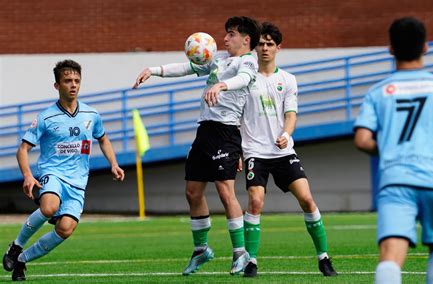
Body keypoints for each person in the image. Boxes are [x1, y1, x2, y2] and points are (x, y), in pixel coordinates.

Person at [133, 16, 261, 276]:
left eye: (231, 34)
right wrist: (154, 70)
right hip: (205, 131)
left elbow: (245, 78)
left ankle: (240, 252)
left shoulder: (247, 61)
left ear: (246, 40)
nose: (225, 38)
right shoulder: (219, 62)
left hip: (226, 132)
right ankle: (201, 250)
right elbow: (187, 67)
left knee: (226, 191)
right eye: (226, 33)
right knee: (192, 191)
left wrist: (222, 85)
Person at [354, 17, 433, 284]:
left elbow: (362, 139)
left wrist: (389, 151)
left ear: (391, 49)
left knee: (391, 255)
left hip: (396, 180)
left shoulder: (377, 92)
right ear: (426, 47)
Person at [3, 59, 125, 281]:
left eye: (77, 80)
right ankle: (16, 246)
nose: (73, 85)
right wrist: (28, 176)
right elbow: (22, 149)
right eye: (67, 80)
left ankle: (22, 260)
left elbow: (104, 139)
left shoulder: (91, 115)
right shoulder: (46, 117)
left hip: (78, 182)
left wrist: (114, 164)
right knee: (49, 207)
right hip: (53, 174)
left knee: (65, 229)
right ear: (57, 85)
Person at [240, 22, 337, 278]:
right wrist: (237, 153)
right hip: (254, 152)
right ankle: (251, 262)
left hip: (283, 152)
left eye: (269, 44)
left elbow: (291, 115)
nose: (264, 48)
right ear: (254, 47)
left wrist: (286, 134)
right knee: (256, 201)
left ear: (278, 48)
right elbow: (235, 118)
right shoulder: (245, 79)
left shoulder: (288, 80)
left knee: (307, 200)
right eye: (260, 43)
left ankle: (324, 258)